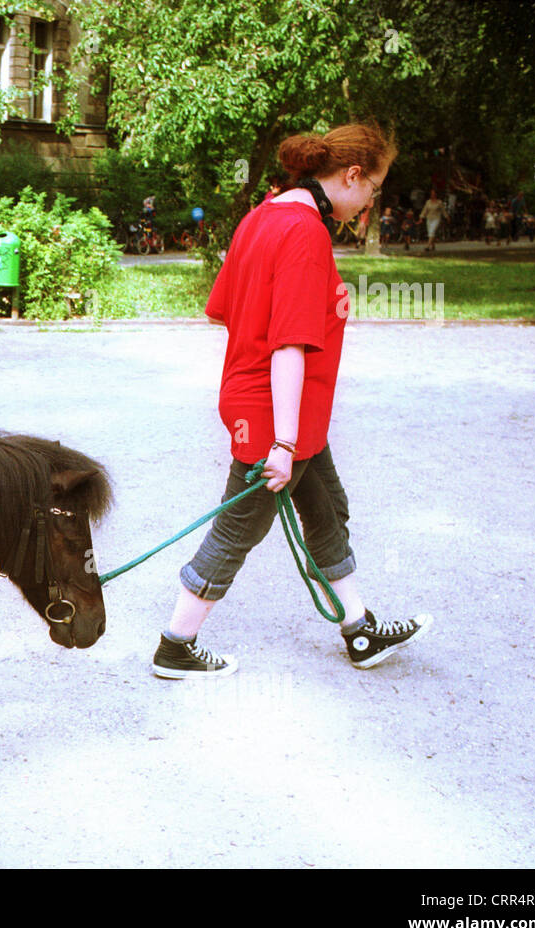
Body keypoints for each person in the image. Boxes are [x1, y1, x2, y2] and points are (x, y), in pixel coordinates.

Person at [150, 122, 432, 678]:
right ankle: (175, 644)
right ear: (351, 176)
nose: (371, 200)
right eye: (373, 187)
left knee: (327, 507)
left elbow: (229, 308)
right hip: (277, 417)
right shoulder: (305, 232)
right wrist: (281, 440)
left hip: (288, 411)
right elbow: (288, 344)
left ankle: (359, 628)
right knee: (239, 526)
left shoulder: (263, 215)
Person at [418, 189, 445, 253]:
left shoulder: (439, 202)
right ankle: (433, 245)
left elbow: (443, 210)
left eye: (434, 193)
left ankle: (427, 246)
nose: (432, 195)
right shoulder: (428, 202)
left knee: (432, 231)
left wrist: (446, 217)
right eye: (431, 193)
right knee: (430, 232)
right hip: (429, 218)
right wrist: (421, 217)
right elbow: (425, 210)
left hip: (436, 218)